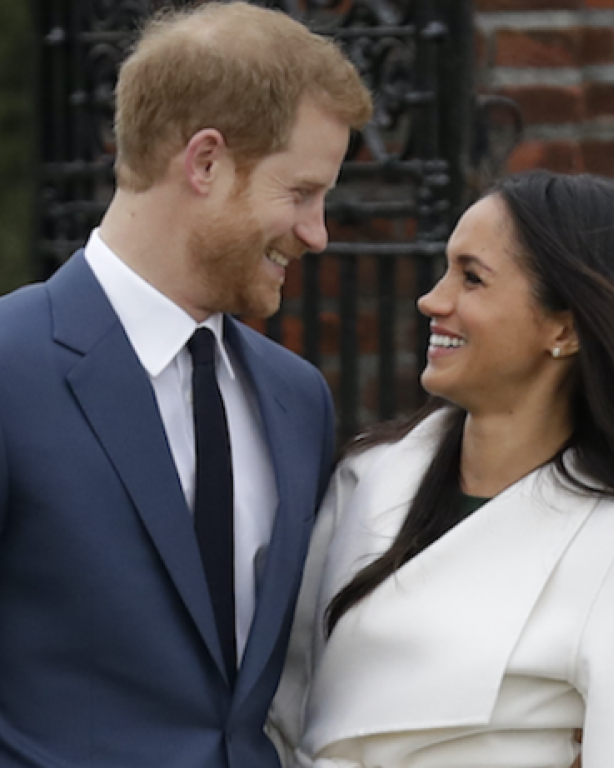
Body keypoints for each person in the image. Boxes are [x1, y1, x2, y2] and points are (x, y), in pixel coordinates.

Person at [269, 171, 614, 768]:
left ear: (565, 328)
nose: (433, 299)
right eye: (446, 269)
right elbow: (279, 711)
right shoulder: (365, 480)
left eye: (471, 278)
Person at [0, 3, 371, 767]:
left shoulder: (297, 398)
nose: (317, 232)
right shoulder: (9, 363)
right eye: (300, 192)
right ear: (205, 162)